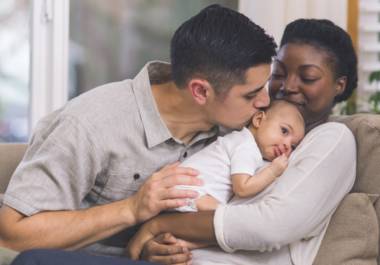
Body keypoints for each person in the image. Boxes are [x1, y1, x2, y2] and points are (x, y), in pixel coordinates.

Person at [0, 4, 277, 265]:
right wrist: (131, 209)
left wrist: (154, 245)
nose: (265, 101)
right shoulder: (91, 124)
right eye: (251, 94)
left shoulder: (238, 131)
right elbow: (13, 235)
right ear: (201, 91)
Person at [124, 18, 358, 265]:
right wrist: (158, 245)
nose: (288, 86)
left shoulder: (333, 139)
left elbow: (270, 226)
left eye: (308, 77)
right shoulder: (244, 127)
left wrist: (159, 225)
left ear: (339, 85)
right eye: (278, 73)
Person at [174, 100, 305, 212]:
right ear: (259, 120)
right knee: (227, 217)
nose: (287, 145)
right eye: (284, 131)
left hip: (183, 192)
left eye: (293, 146)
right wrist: (273, 171)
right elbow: (242, 188)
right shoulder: (246, 146)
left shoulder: (241, 141)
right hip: (189, 194)